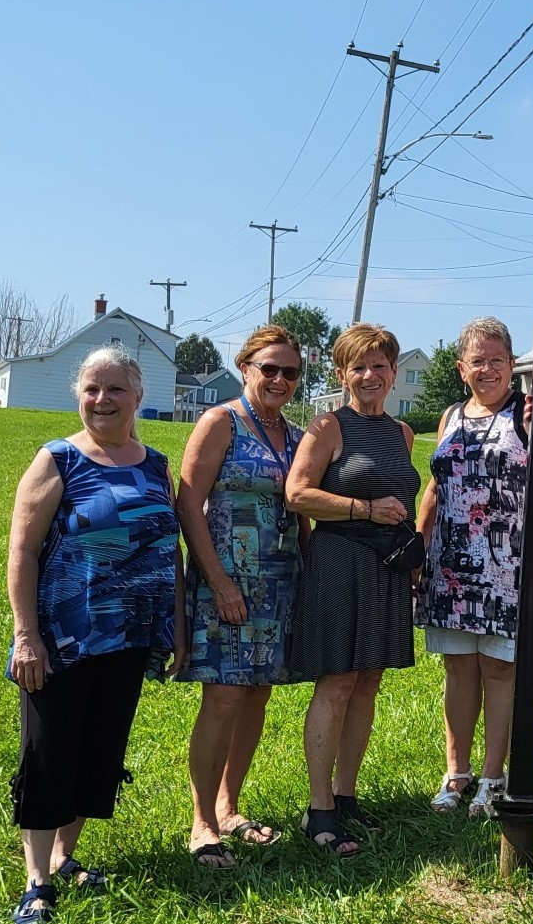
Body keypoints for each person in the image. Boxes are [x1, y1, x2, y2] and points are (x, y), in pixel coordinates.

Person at [6, 347, 183, 923]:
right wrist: (26, 636)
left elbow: (169, 551)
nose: (101, 400)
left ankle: (65, 857)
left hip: (128, 637)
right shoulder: (57, 459)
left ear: (137, 396)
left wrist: (175, 625)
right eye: (91, 389)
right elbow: (23, 552)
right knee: (48, 751)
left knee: (98, 753)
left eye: (114, 390)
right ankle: (36, 881)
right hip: (63, 637)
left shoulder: (156, 464)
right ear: (78, 394)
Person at [415, 318, 533, 816]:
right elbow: (435, 488)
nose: (487, 369)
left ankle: (493, 776)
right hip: (451, 567)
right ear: (462, 369)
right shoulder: (450, 416)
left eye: (496, 360)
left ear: (512, 363)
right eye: (477, 361)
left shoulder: (528, 414)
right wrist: (419, 546)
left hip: (508, 566)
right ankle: (456, 773)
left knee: (500, 670)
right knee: (458, 668)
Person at [285, 324, 421, 856]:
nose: (370, 375)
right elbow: (297, 494)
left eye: (380, 365)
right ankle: (318, 810)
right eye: (358, 367)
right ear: (342, 375)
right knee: (337, 683)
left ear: (392, 373)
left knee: (368, 683)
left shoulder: (402, 433)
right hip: (340, 559)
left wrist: (410, 554)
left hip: (387, 566)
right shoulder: (326, 427)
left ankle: (346, 798)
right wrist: (363, 509)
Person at [176, 324, 305, 867]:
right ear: (245, 368)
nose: (278, 379)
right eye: (268, 368)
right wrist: (220, 582)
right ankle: (202, 822)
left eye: (290, 372)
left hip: (279, 582)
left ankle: (230, 806)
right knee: (224, 696)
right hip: (225, 581)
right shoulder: (220, 422)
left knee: (257, 695)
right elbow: (188, 504)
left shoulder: (296, 436)